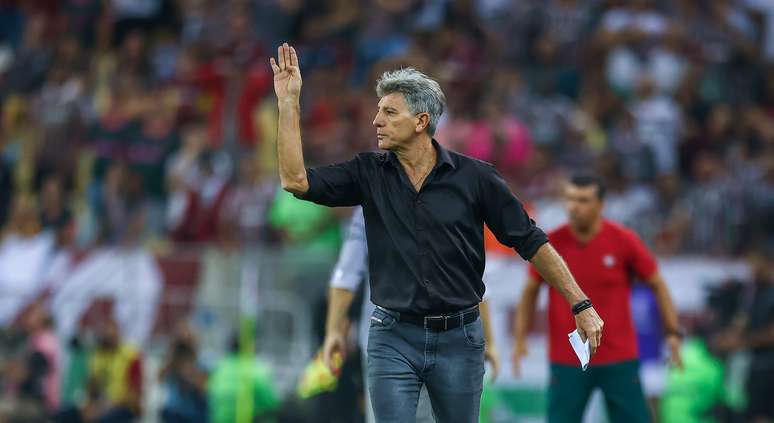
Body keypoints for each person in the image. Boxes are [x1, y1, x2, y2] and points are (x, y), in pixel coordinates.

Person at [270, 43, 603, 422]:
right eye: (378, 110)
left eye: (389, 112)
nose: (376, 120)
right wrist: (289, 102)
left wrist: (581, 304)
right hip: (391, 336)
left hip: (459, 340)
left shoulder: (476, 178)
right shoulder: (368, 173)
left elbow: (531, 241)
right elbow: (295, 180)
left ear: (421, 121)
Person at [512, 174, 683, 423]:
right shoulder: (550, 243)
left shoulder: (623, 240)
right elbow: (530, 290)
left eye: (582, 200)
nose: (573, 207)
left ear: (600, 205)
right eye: (570, 199)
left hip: (618, 356)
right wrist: (519, 338)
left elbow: (658, 284)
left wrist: (673, 333)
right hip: (567, 357)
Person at [327, 206, 501, 423]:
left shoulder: (369, 205)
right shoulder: (449, 197)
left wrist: (333, 331)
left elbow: (346, 275)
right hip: (442, 337)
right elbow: (474, 279)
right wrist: (490, 341)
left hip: (385, 340)